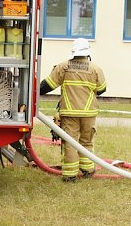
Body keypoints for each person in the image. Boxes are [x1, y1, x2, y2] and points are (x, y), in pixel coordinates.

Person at [39, 38, 107, 182]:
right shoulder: (95, 69)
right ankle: (88, 170)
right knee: (87, 141)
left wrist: (32, 93)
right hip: (89, 113)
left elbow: (47, 86)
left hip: (69, 113)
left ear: (73, 52)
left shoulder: (63, 67)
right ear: (88, 52)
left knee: (70, 142)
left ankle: (70, 175)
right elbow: (102, 90)